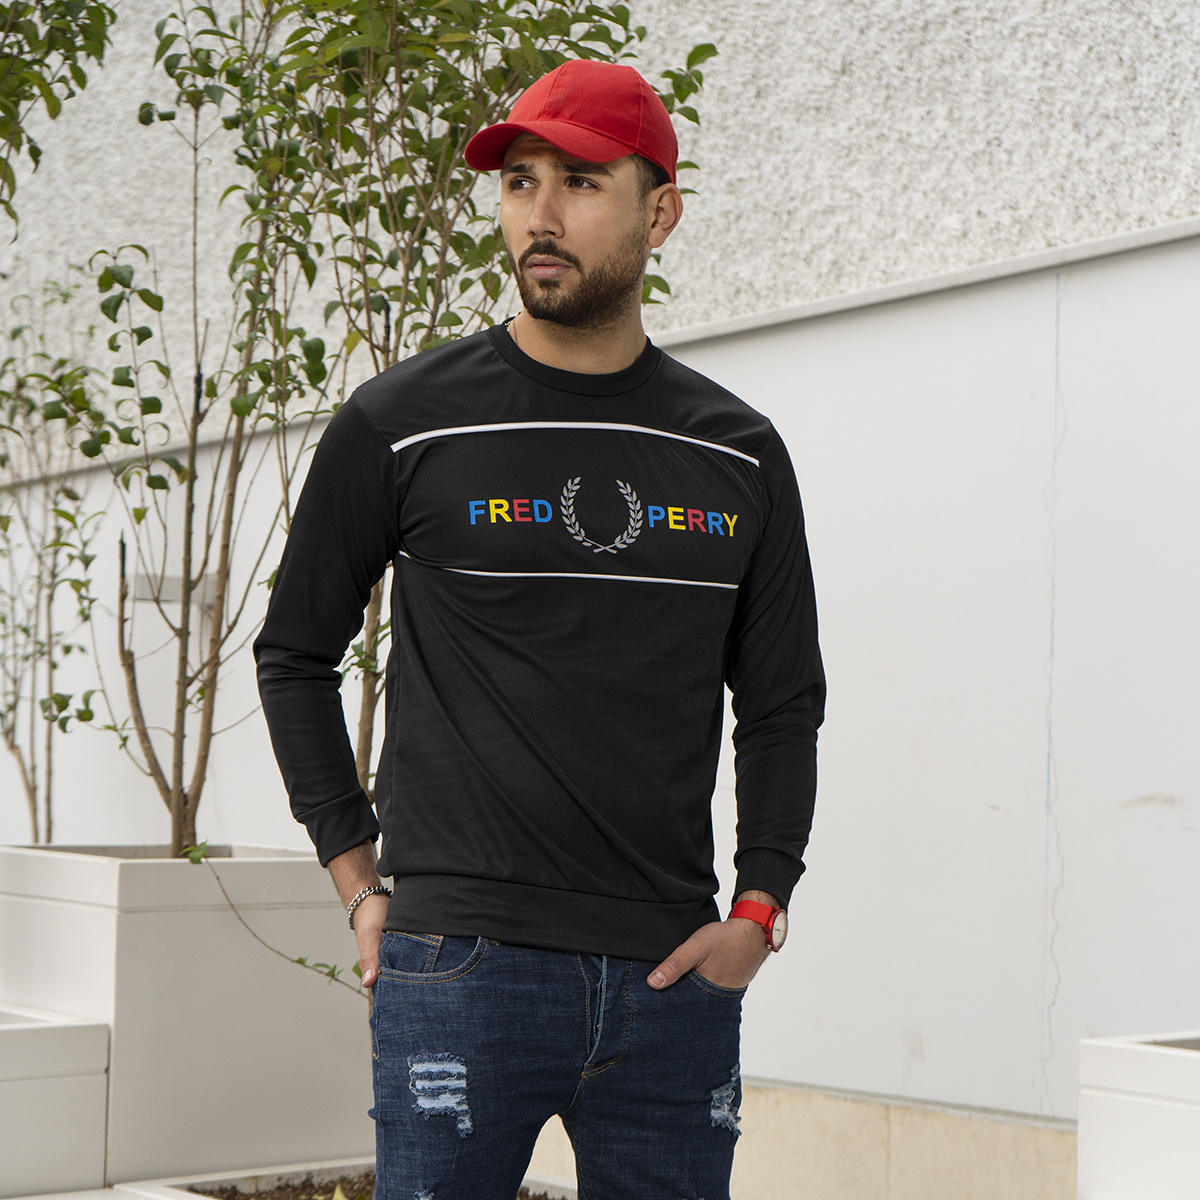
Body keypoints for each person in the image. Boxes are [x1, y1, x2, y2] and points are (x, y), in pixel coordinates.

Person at [255, 57, 824, 1200]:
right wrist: (360, 884)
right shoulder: (402, 424)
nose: (540, 214)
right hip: (462, 968)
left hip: (671, 980)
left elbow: (780, 704)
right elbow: (294, 654)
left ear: (660, 213)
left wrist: (758, 912)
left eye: (580, 181)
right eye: (519, 181)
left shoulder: (738, 453)